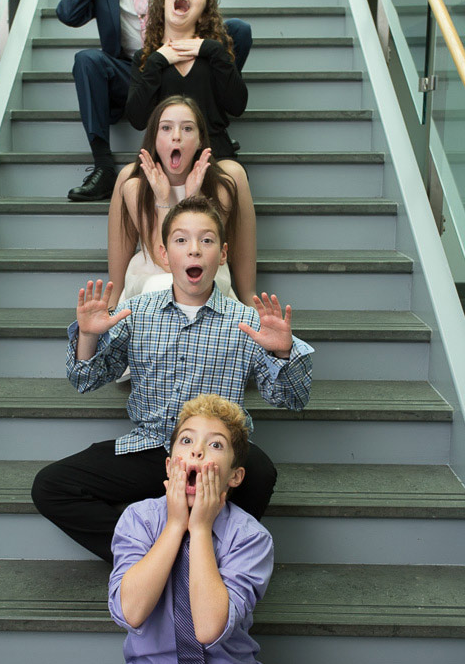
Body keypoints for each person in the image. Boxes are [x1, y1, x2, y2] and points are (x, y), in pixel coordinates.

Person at [31, 197, 314, 562]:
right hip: (150, 450)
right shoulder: (136, 313)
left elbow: (293, 398)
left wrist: (282, 352)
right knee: (51, 486)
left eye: (207, 240)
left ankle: (209, 558)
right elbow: (84, 380)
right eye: (181, 240)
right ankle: (151, 556)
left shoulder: (246, 322)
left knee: (258, 471)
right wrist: (87, 336)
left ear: (223, 253)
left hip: (212, 458)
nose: (194, 249)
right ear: (165, 255)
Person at [62, 394, 345, 664]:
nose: (197, 452)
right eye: (187, 440)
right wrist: (175, 525)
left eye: (215, 445)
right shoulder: (139, 520)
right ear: (170, 466)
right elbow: (130, 612)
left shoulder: (249, 537)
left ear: (235, 475)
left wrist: (199, 530)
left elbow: (210, 628)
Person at [55, 0, 252, 201]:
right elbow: (67, 14)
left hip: (188, 53)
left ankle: (211, 118)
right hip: (139, 67)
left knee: (238, 30)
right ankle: (104, 166)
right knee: (87, 60)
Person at [108, 95, 256, 307]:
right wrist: (161, 199)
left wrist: (193, 197)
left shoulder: (224, 181)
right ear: (154, 138)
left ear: (200, 140)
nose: (176, 136)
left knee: (197, 289)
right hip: (151, 271)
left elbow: (195, 256)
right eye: (166, 128)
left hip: (206, 271)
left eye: (187, 129)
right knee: (163, 285)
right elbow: (167, 262)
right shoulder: (135, 183)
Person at [125, 0, 248, 160]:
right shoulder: (146, 58)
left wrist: (213, 50)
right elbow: (137, 119)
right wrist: (157, 61)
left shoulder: (215, 53)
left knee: (231, 180)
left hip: (214, 155)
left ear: (203, 15)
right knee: (127, 183)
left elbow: (237, 106)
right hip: (165, 159)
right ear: (164, 1)